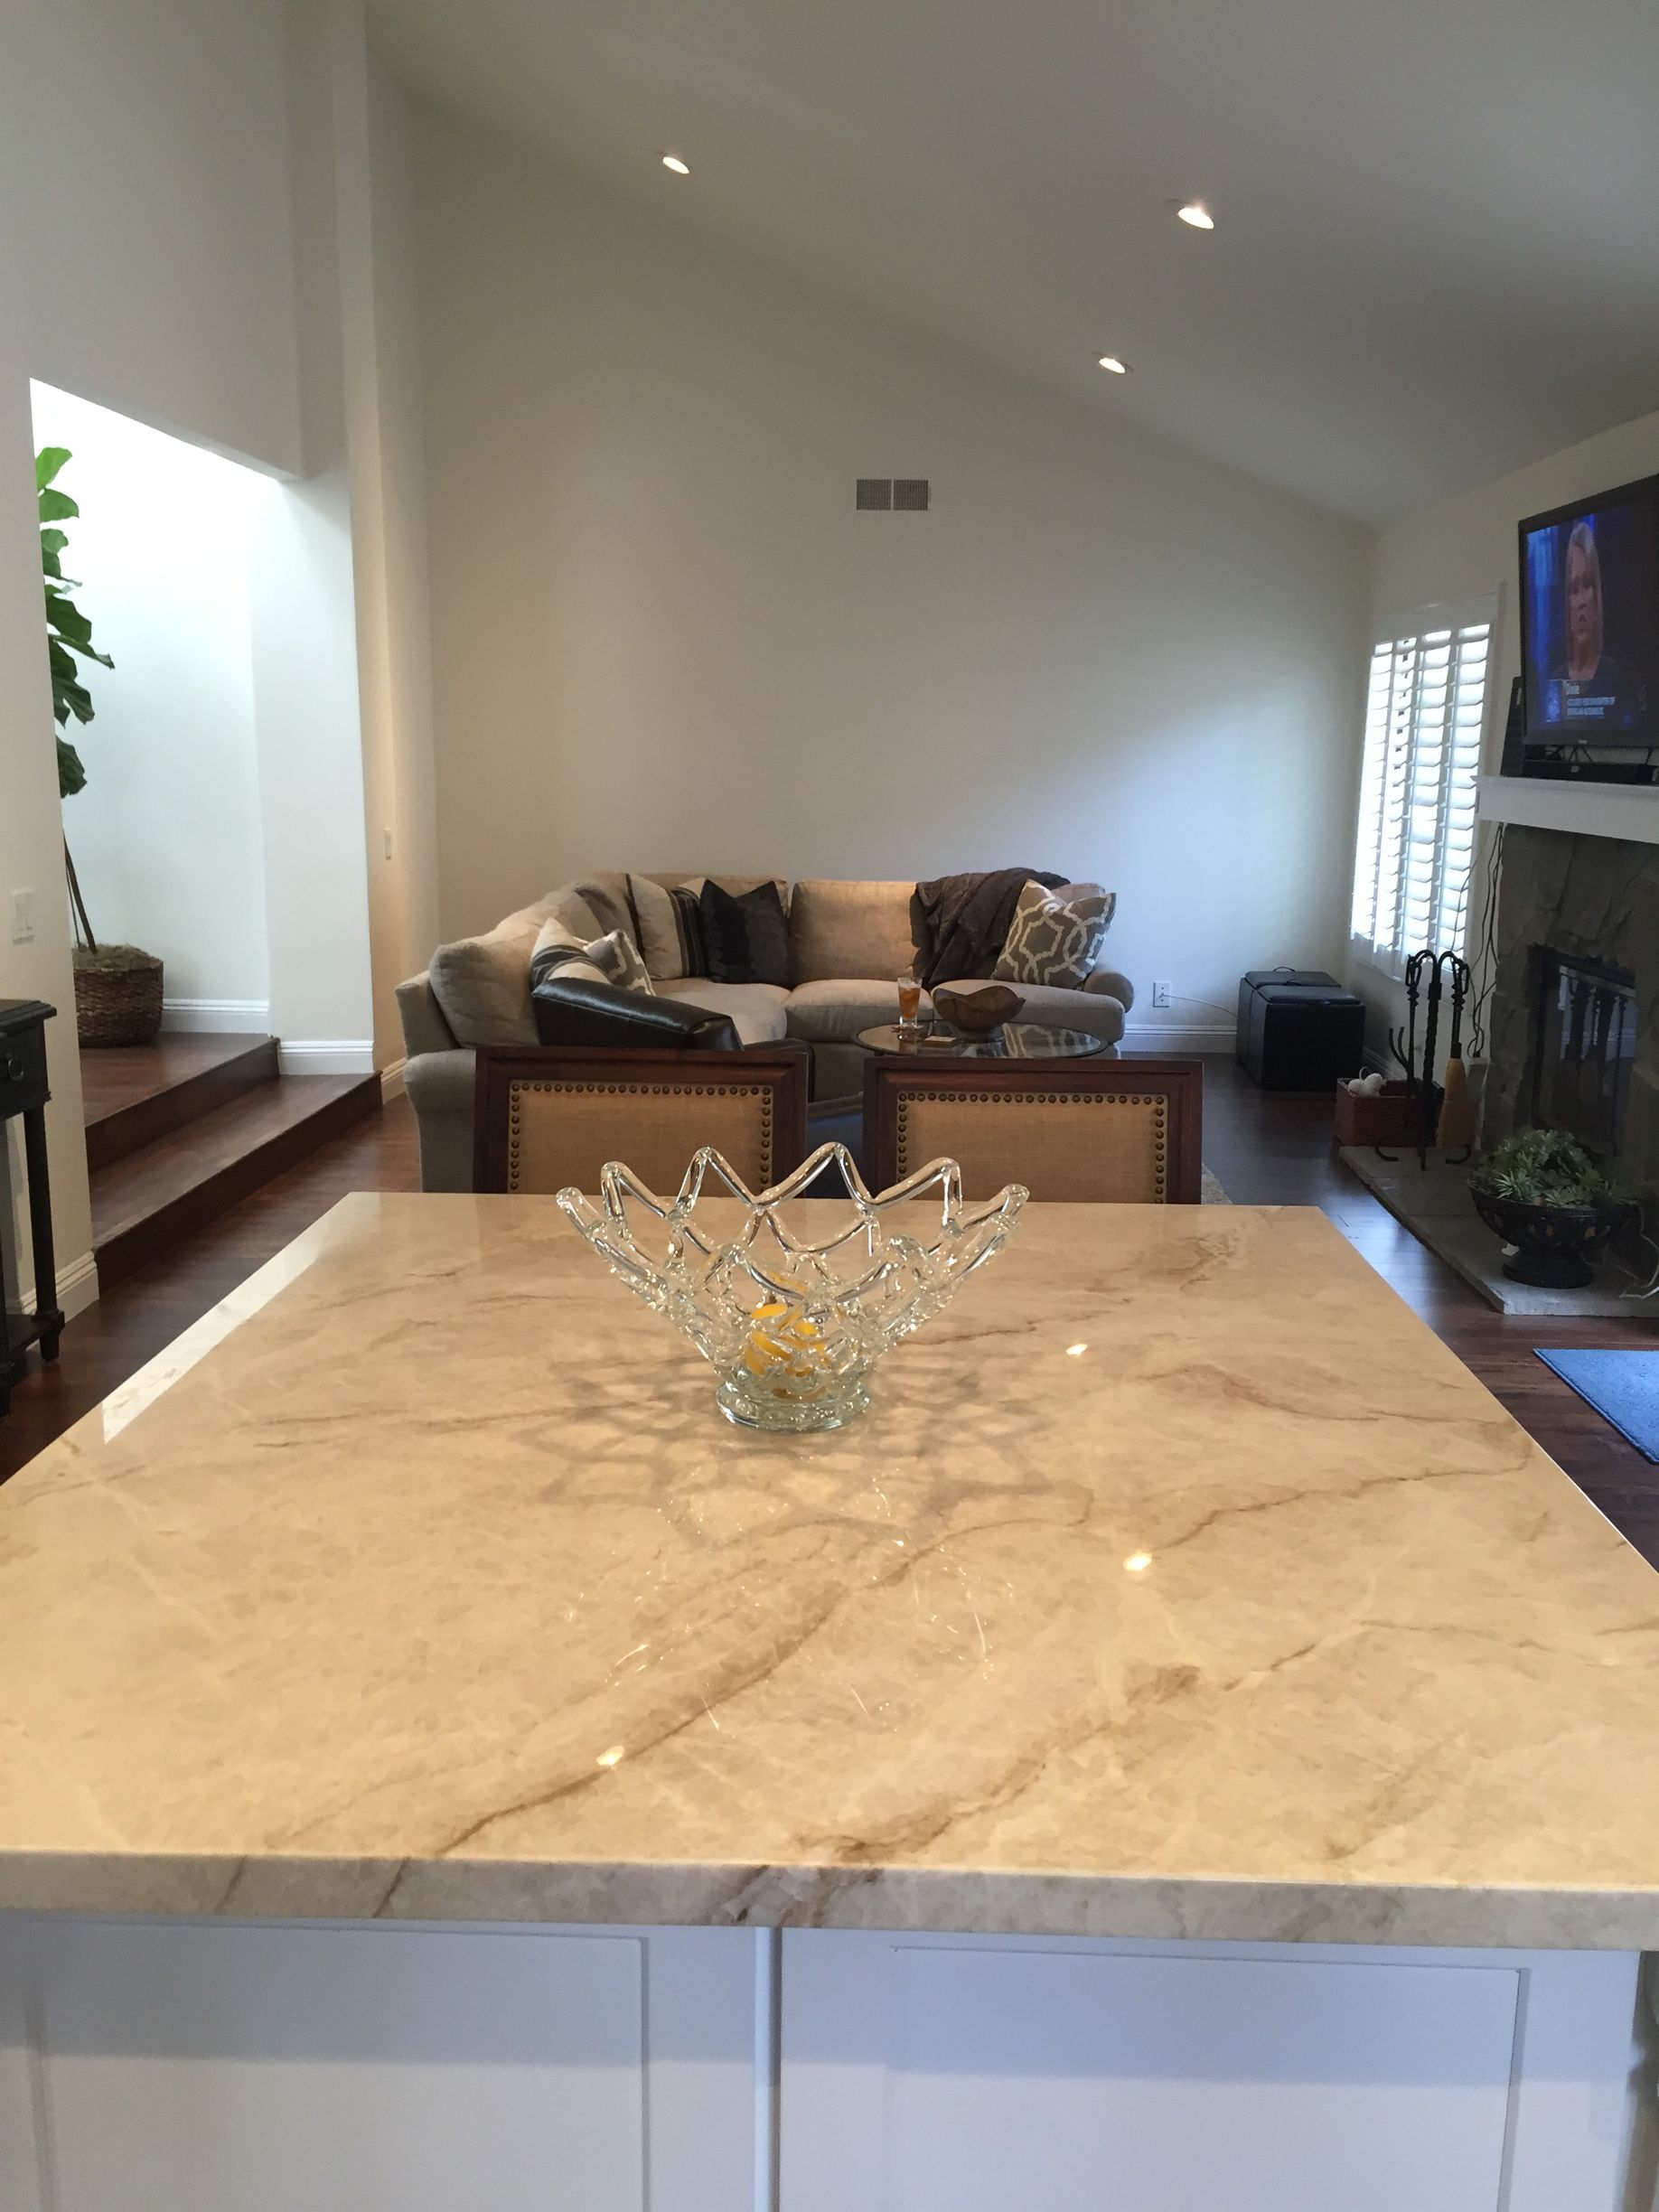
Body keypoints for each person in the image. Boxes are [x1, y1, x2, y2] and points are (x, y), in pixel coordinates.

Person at [1551, 520, 1623, 689]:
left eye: (1588, 584)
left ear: (1597, 596)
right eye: (1574, 589)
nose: (1581, 602)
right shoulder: (1555, 680)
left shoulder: (1613, 674)